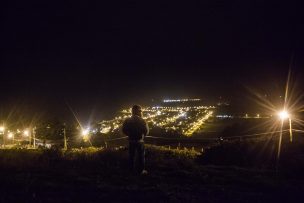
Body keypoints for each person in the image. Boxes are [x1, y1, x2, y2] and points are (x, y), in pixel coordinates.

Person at [122, 105, 149, 175]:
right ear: (139, 112)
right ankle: (141, 171)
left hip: (131, 141)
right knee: (141, 156)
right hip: (140, 141)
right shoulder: (142, 120)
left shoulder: (127, 120)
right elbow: (146, 131)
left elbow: (123, 130)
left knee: (131, 156)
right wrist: (142, 136)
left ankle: (131, 170)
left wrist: (129, 135)